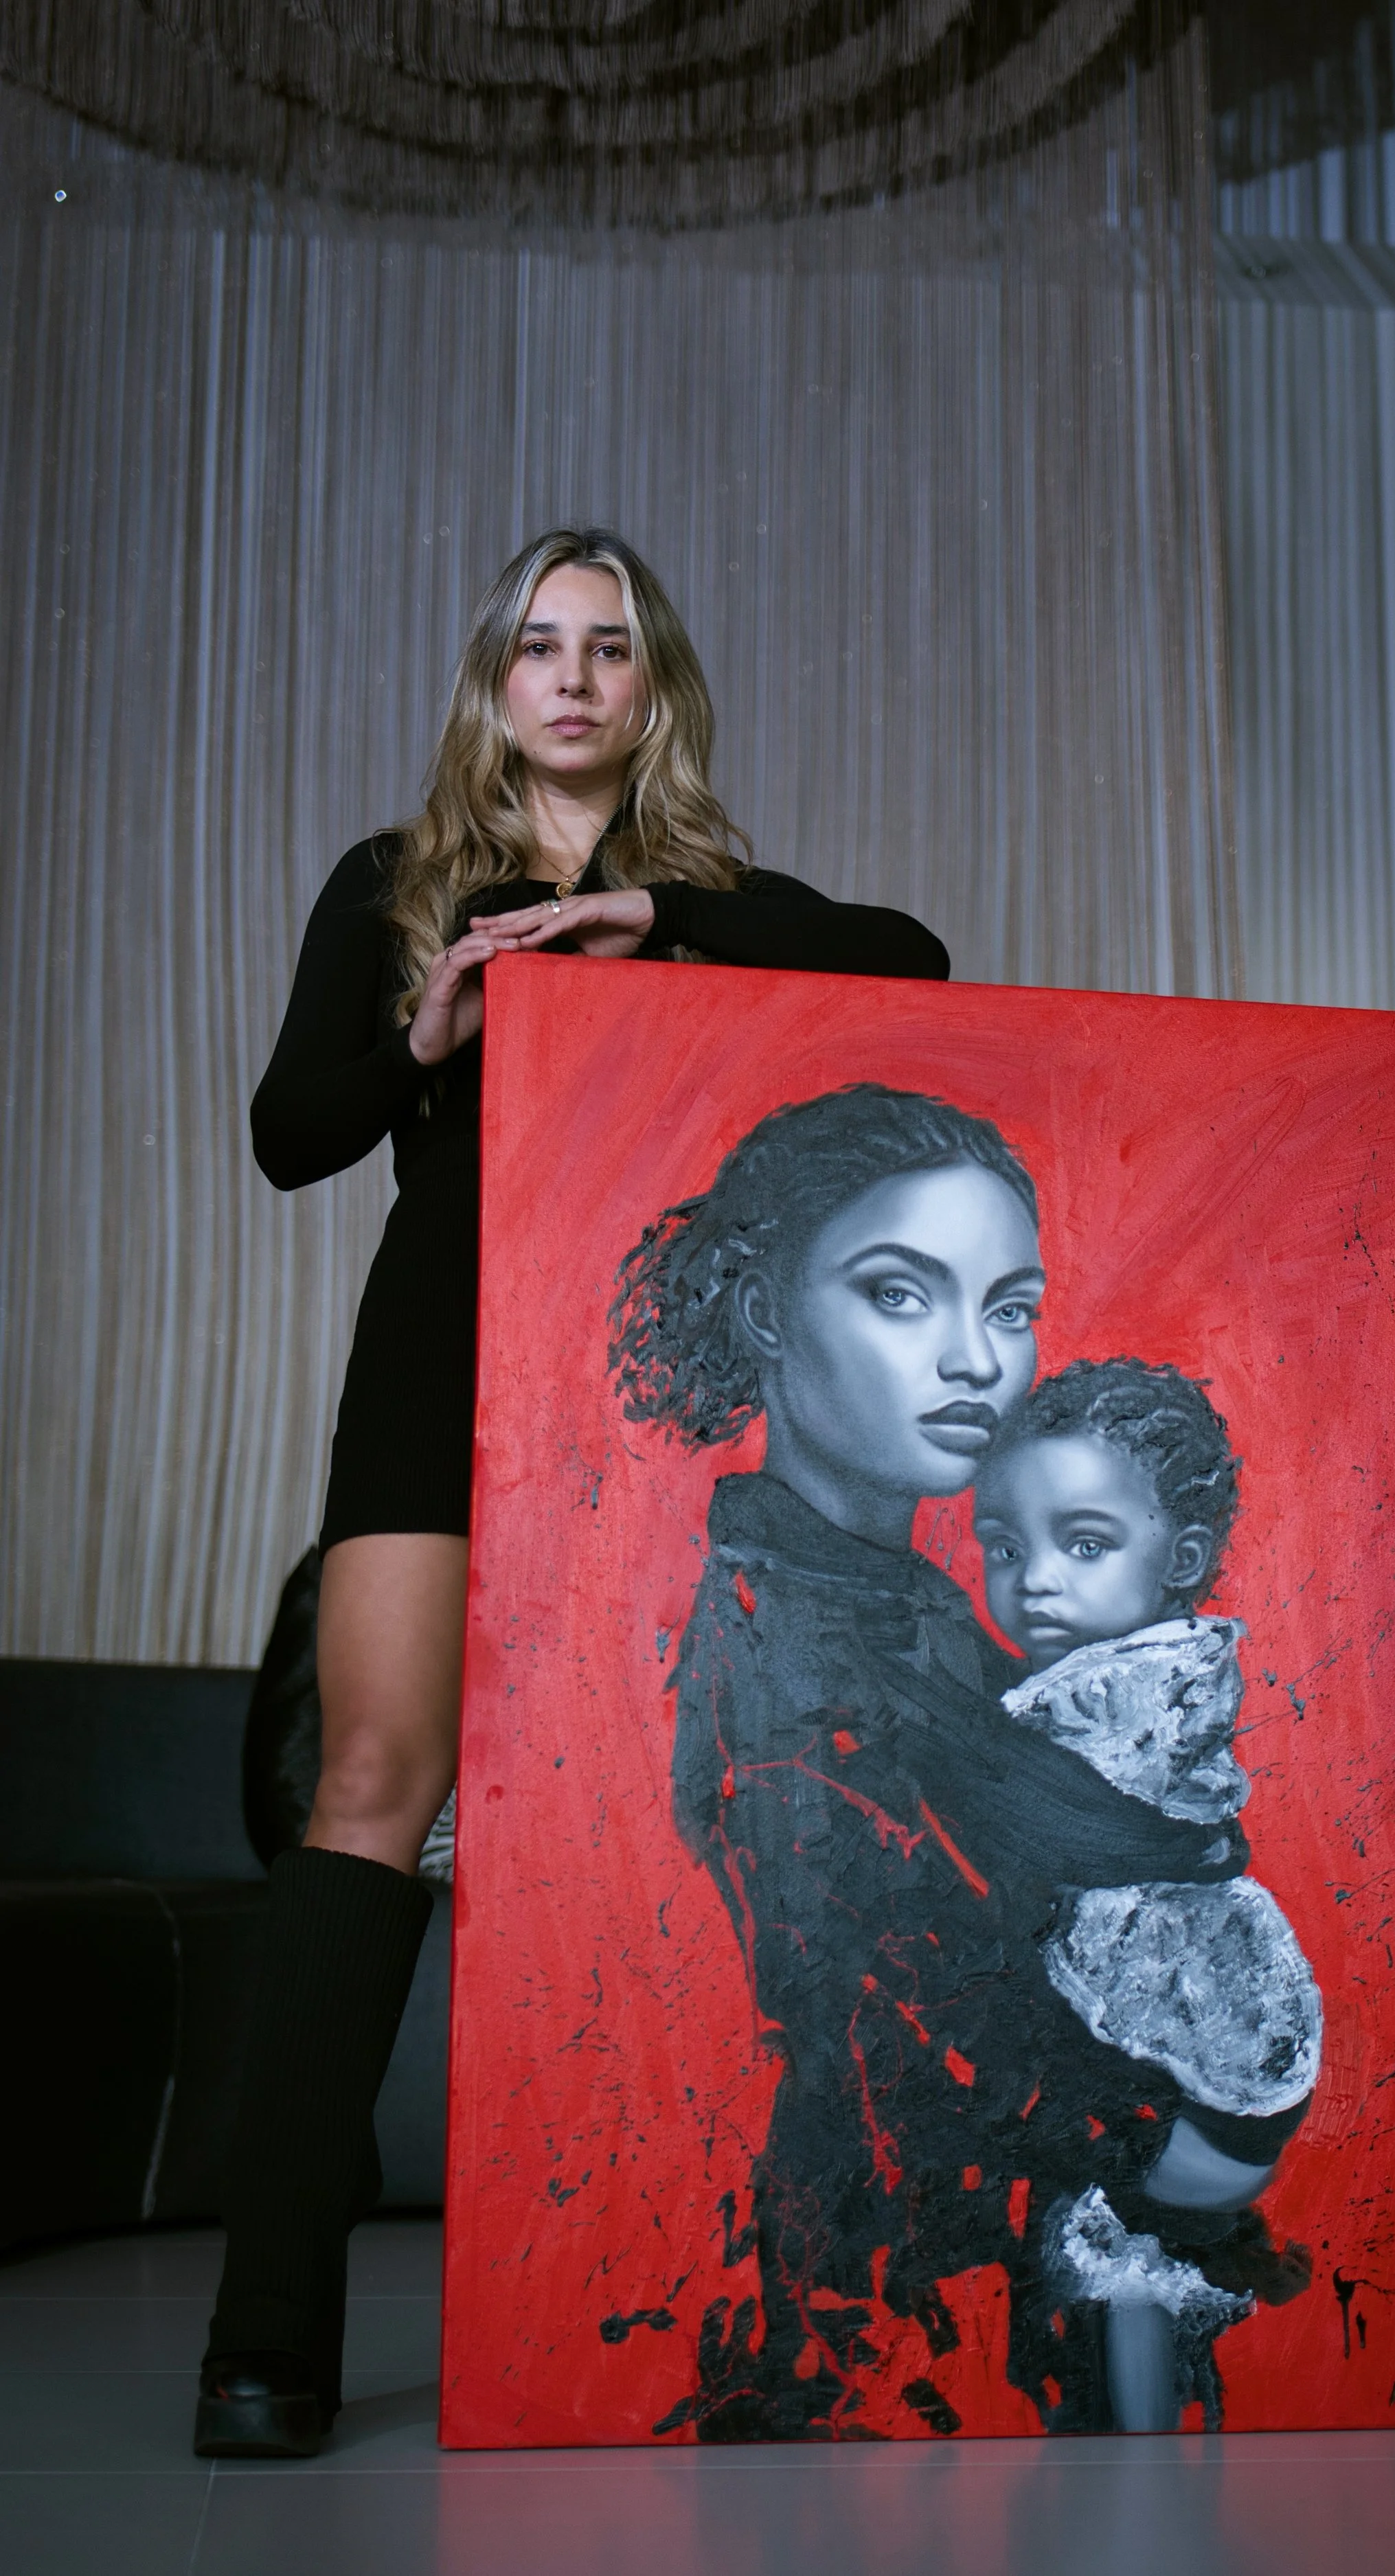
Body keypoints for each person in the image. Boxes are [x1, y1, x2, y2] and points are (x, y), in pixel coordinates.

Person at [195, 528, 953, 2461]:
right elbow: (293, 1133)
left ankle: (680, 2306)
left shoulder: (703, 894)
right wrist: (421, 1035)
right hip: (436, 1349)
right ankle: (263, 2333)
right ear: (493, 680)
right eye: (540, 644)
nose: (574, 677)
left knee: (647, 1808)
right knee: (370, 1786)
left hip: (628, 1395)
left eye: (610, 647)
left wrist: (655, 939)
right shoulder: (396, 881)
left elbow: (915, 964)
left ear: (651, 689)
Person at [608, 1088, 1257, 2439]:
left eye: (1007, 1309)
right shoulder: (777, 1642)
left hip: (1015, 2268)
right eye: (901, 1297)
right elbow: (895, 1998)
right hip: (909, 2309)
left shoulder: (901, 1603)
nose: (974, 1361)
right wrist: (1179, 2133)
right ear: (766, 1312)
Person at [973, 1358, 1319, 2428]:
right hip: (1233, 2051)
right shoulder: (1163, 1660)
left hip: (1202, 2076)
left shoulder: (1120, 1695)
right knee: (1126, 2264)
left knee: (1099, 2240)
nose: (1035, 1579)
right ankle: (1141, 2434)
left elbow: (1026, 1799)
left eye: (1083, 1544)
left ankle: (1133, 2460)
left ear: (1182, 1559)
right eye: (1004, 1546)